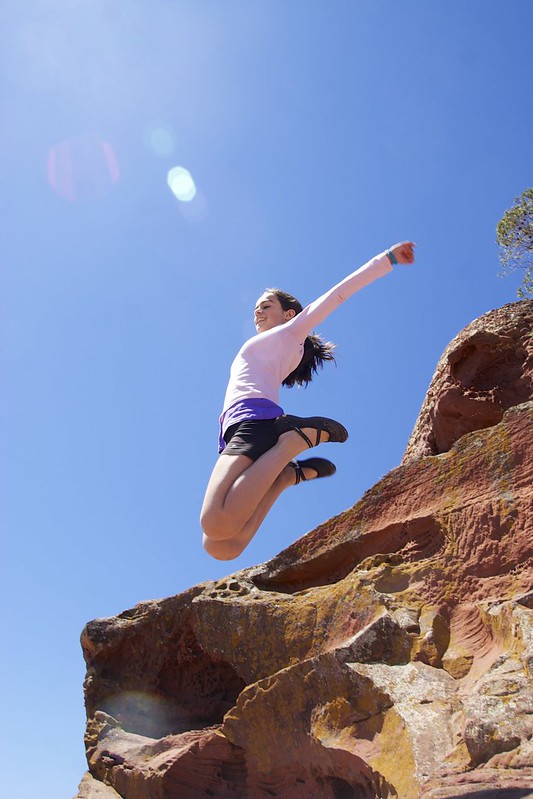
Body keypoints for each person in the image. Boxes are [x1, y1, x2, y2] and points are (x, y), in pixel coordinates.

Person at [201, 241, 416, 560]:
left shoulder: (287, 334)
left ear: (289, 314)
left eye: (266, 305)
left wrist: (387, 260)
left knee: (215, 523)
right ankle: (288, 475)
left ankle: (292, 442)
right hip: (241, 427)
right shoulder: (277, 345)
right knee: (220, 547)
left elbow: (337, 294)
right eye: (257, 306)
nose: (257, 310)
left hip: (254, 422)